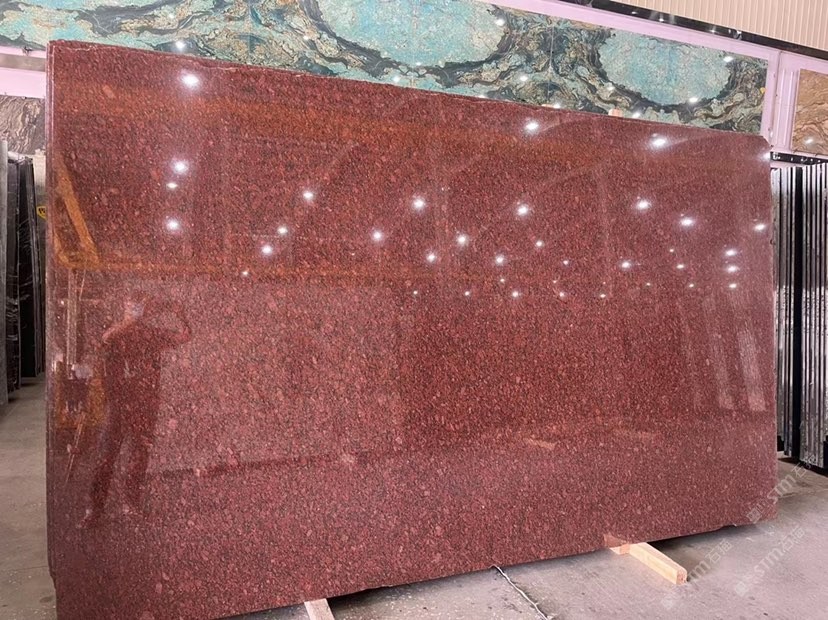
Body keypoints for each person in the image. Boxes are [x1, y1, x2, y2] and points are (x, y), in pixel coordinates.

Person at [81, 295, 191, 527]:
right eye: (132, 305)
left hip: (145, 404)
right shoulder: (115, 330)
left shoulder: (151, 333)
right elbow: (106, 338)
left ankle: (130, 503)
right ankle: (94, 510)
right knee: (106, 457)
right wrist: (130, 322)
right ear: (124, 307)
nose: (136, 310)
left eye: (139, 306)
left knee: (138, 456)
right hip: (118, 403)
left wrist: (178, 312)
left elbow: (185, 335)